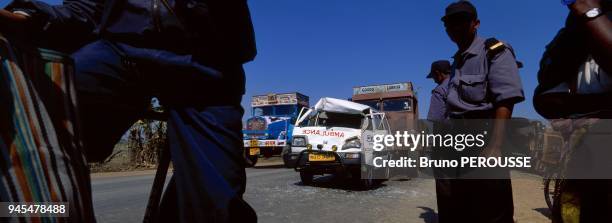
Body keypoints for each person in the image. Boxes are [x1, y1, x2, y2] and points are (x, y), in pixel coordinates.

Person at [0, 0, 257, 222]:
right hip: (121, 51)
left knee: (218, 205)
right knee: (35, 91)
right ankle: (37, 211)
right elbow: (88, 8)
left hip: (204, 65)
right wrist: (30, 17)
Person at [438, 1, 525, 222]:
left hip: (483, 139)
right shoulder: (457, 60)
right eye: (449, 23)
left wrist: (495, 146)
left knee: (491, 211)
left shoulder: (494, 51)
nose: (454, 27)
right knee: (457, 209)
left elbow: (506, 100)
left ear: (475, 23)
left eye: (461, 21)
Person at [534, 0, 612, 222]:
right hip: (584, 148)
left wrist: (590, 13)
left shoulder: (589, 14)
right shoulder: (570, 33)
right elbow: (544, 95)